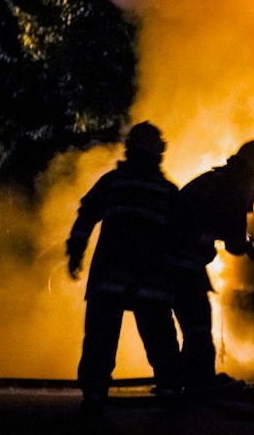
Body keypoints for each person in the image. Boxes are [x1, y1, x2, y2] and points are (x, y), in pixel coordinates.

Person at [66, 121, 182, 417]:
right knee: (160, 336)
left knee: (101, 337)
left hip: (110, 276)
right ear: (160, 153)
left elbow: (86, 216)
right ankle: (170, 390)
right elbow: (179, 237)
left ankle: (94, 394)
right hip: (150, 279)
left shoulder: (114, 182)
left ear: (129, 150)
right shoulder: (168, 191)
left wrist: (75, 253)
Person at [167, 139, 254, 392]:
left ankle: (183, 377)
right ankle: (199, 381)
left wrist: (245, 241)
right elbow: (235, 243)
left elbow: (227, 231)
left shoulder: (220, 179)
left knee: (192, 321)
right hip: (182, 259)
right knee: (198, 320)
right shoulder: (238, 185)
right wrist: (253, 248)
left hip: (171, 256)